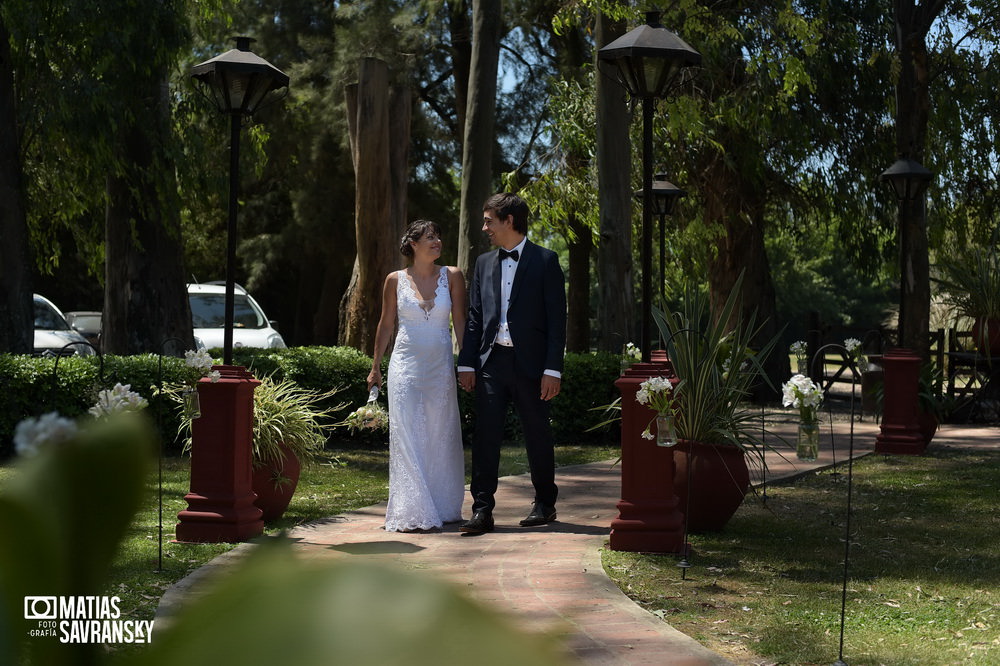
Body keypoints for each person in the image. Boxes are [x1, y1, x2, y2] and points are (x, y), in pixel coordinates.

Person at [457, 193, 567, 534]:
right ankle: (482, 510)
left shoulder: (546, 261)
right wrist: (467, 363)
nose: (485, 226)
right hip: (491, 362)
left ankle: (545, 503)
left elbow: (556, 320)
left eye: (490, 219)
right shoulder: (484, 263)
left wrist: (553, 369)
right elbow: (475, 317)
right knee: (485, 435)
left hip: (532, 366)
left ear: (509, 220)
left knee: (537, 434)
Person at [368, 220, 467, 532]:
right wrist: (375, 367)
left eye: (438, 236)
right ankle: (413, 508)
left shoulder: (452, 276)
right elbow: (385, 325)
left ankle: (443, 504)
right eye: (430, 237)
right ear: (412, 244)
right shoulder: (393, 280)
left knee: (441, 431)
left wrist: (466, 364)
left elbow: (461, 322)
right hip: (405, 367)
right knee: (408, 433)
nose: (437, 241)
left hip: (439, 366)